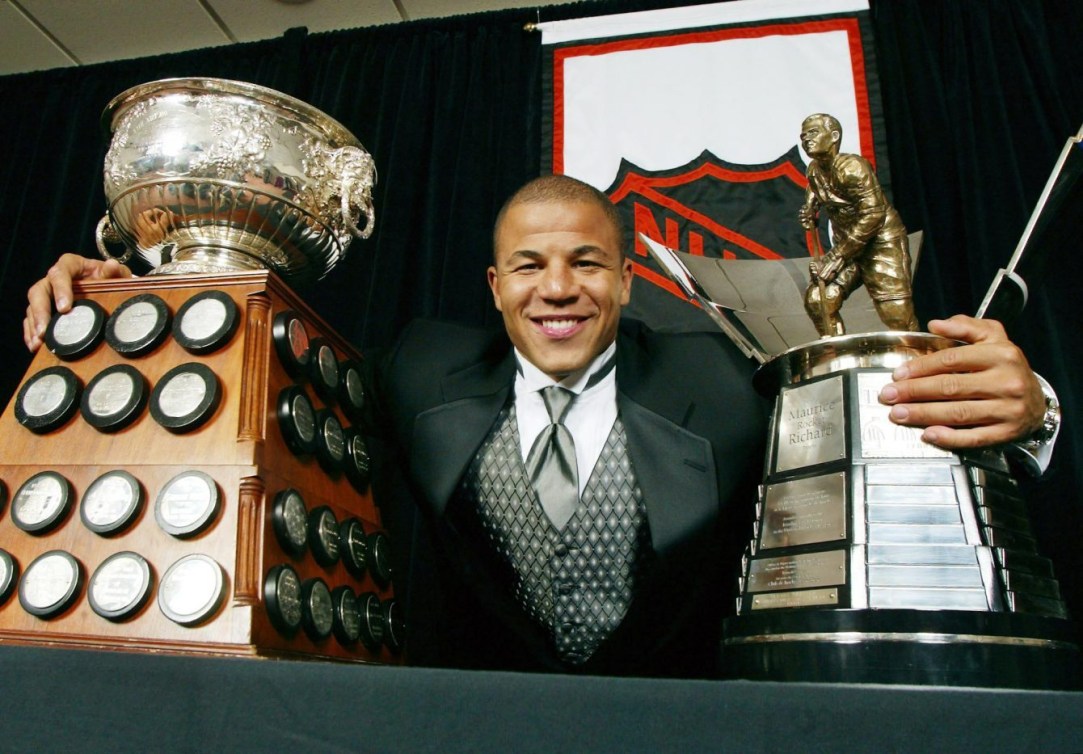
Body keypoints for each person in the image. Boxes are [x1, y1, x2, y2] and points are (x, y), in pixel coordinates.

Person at [23, 175, 1053, 677]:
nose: (558, 289)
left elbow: (886, 407)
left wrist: (1033, 410)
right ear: (495, 283)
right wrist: (139, 315)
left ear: (623, 277)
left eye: (586, 262)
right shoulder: (419, 370)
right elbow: (268, 389)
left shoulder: (733, 379)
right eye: (529, 265)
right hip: (485, 733)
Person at [799, 113, 919, 336]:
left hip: (880, 242)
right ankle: (836, 360)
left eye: (813, 133)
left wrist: (837, 257)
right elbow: (816, 189)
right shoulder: (814, 170)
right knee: (819, 300)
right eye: (803, 136)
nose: (806, 139)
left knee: (896, 315)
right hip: (848, 245)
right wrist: (810, 207)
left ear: (834, 136)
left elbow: (873, 215)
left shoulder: (852, 167)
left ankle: (918, 363)